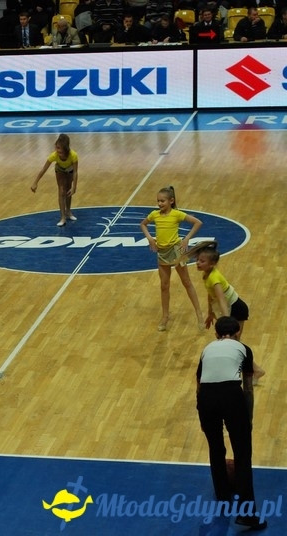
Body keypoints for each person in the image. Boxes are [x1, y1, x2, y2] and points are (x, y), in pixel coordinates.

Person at [196, 317, 267, 532]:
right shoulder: (243, 348)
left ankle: (222, 493)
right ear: (237, 333)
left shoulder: (207, 349)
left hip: (206, 398)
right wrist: (249, 417)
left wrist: (202, 410)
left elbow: (198, 382)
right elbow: (248, 387)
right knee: (242, 453)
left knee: (215, 447)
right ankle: (247, 515)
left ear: (216, 334)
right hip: (231, 395)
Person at [192, 241, 266, 381]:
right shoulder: (207, 275)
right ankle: (255, 370)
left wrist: (226, 322)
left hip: (236, 309)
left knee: (233, 342)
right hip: (230, 309)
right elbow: (211, 295)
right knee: (232, 342)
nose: (198, 263)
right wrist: (210, 313)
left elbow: (221, 299)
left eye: (202, 261)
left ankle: (256, 370)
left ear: (212, 264)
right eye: (197, 260)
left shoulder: (214, 278)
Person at [139, 186, 204, 332]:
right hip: (162, 252)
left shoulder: (177, 214)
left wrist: (186, 238)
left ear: (171, 201)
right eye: (158, 201)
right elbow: (143, 224)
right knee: (164, 285)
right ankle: (165, 316)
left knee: (186, 282)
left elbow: (198, 222)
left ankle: (199, 314)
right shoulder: (154, 215)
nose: (160, 204)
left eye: (162, 201)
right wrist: (150, 238)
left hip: (176, 251)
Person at [30, 134, 79, 227]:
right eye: (56, 148)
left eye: (59, 148)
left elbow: (76, 172)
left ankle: (68, 211)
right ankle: (62, 217)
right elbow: (43, 170)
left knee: (69, 190)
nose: (57, 150)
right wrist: (35, 182)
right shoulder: (54, 155)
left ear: (66, 149)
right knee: (61, 190)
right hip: (60, 169)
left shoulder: (73, 155)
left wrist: (74, 187)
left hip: (70, 169)